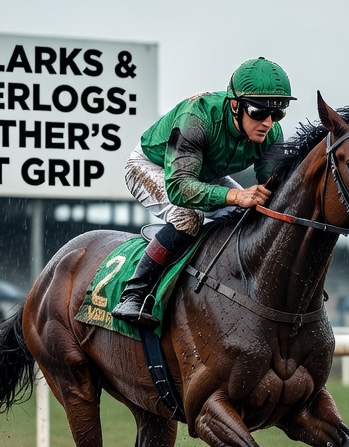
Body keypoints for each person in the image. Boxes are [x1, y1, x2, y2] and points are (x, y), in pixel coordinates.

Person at [111, 57, 295, 328]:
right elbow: (179, 187)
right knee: (189, 218)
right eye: (259, 112)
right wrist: (235, 195)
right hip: (155, 167)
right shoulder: (196, 117)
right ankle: (134, 293)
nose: (268, 122)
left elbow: (275, 188)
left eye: (277, 113)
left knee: (249, 214)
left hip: (207, 174)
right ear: (235, 105)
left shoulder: (270, 132)